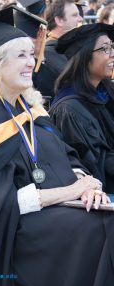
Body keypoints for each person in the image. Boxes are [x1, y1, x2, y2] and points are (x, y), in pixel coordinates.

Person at [0, 8, 114, 286]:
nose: (32, 63)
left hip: (64, 205)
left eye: (31, 54)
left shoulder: (32, 109)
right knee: (103, 227)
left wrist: (86, 185)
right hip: (20, 225)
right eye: (21, 56)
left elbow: (68, 157)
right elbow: (3, 202)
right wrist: (71, 190)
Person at [49, 23, 114, 194]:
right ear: (84, 57)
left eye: (112, 47)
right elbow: (95, 163)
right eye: (105, 49)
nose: (112, 54)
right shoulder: (68, 110)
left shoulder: (105, 90)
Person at [45, 0, 83, 99]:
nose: (80, 19)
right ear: (59, 20)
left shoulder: (71, 46)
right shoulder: (47, 53)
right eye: (75, 15)